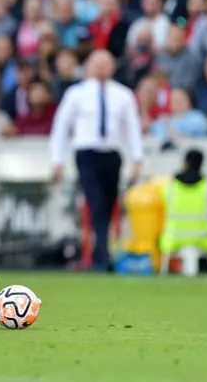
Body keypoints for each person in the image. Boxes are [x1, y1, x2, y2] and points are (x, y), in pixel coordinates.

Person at [49, 49, 143, 272]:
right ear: (89, 66)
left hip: (111, 154)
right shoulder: (76, 93)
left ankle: (102, 250)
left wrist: (137, 158)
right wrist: (57, 160)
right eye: (97, 63)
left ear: (112, 67)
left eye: (105, 63)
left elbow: (132, 129)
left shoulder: (123, 95)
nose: (101, 68)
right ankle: (102, 254)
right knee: (96, 200)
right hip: (87, 154)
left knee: (109, 203)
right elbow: (61, 127)